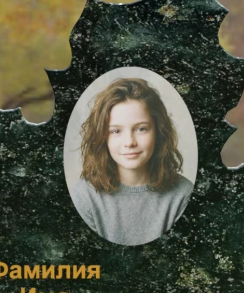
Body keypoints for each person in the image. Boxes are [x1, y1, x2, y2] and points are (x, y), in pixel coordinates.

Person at [72, 78, 193, 246]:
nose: (129, 142)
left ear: (158, 132)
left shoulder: (183, 195)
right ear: (102, 137)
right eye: (116, 131)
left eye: (141, 129)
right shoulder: (84, 195)